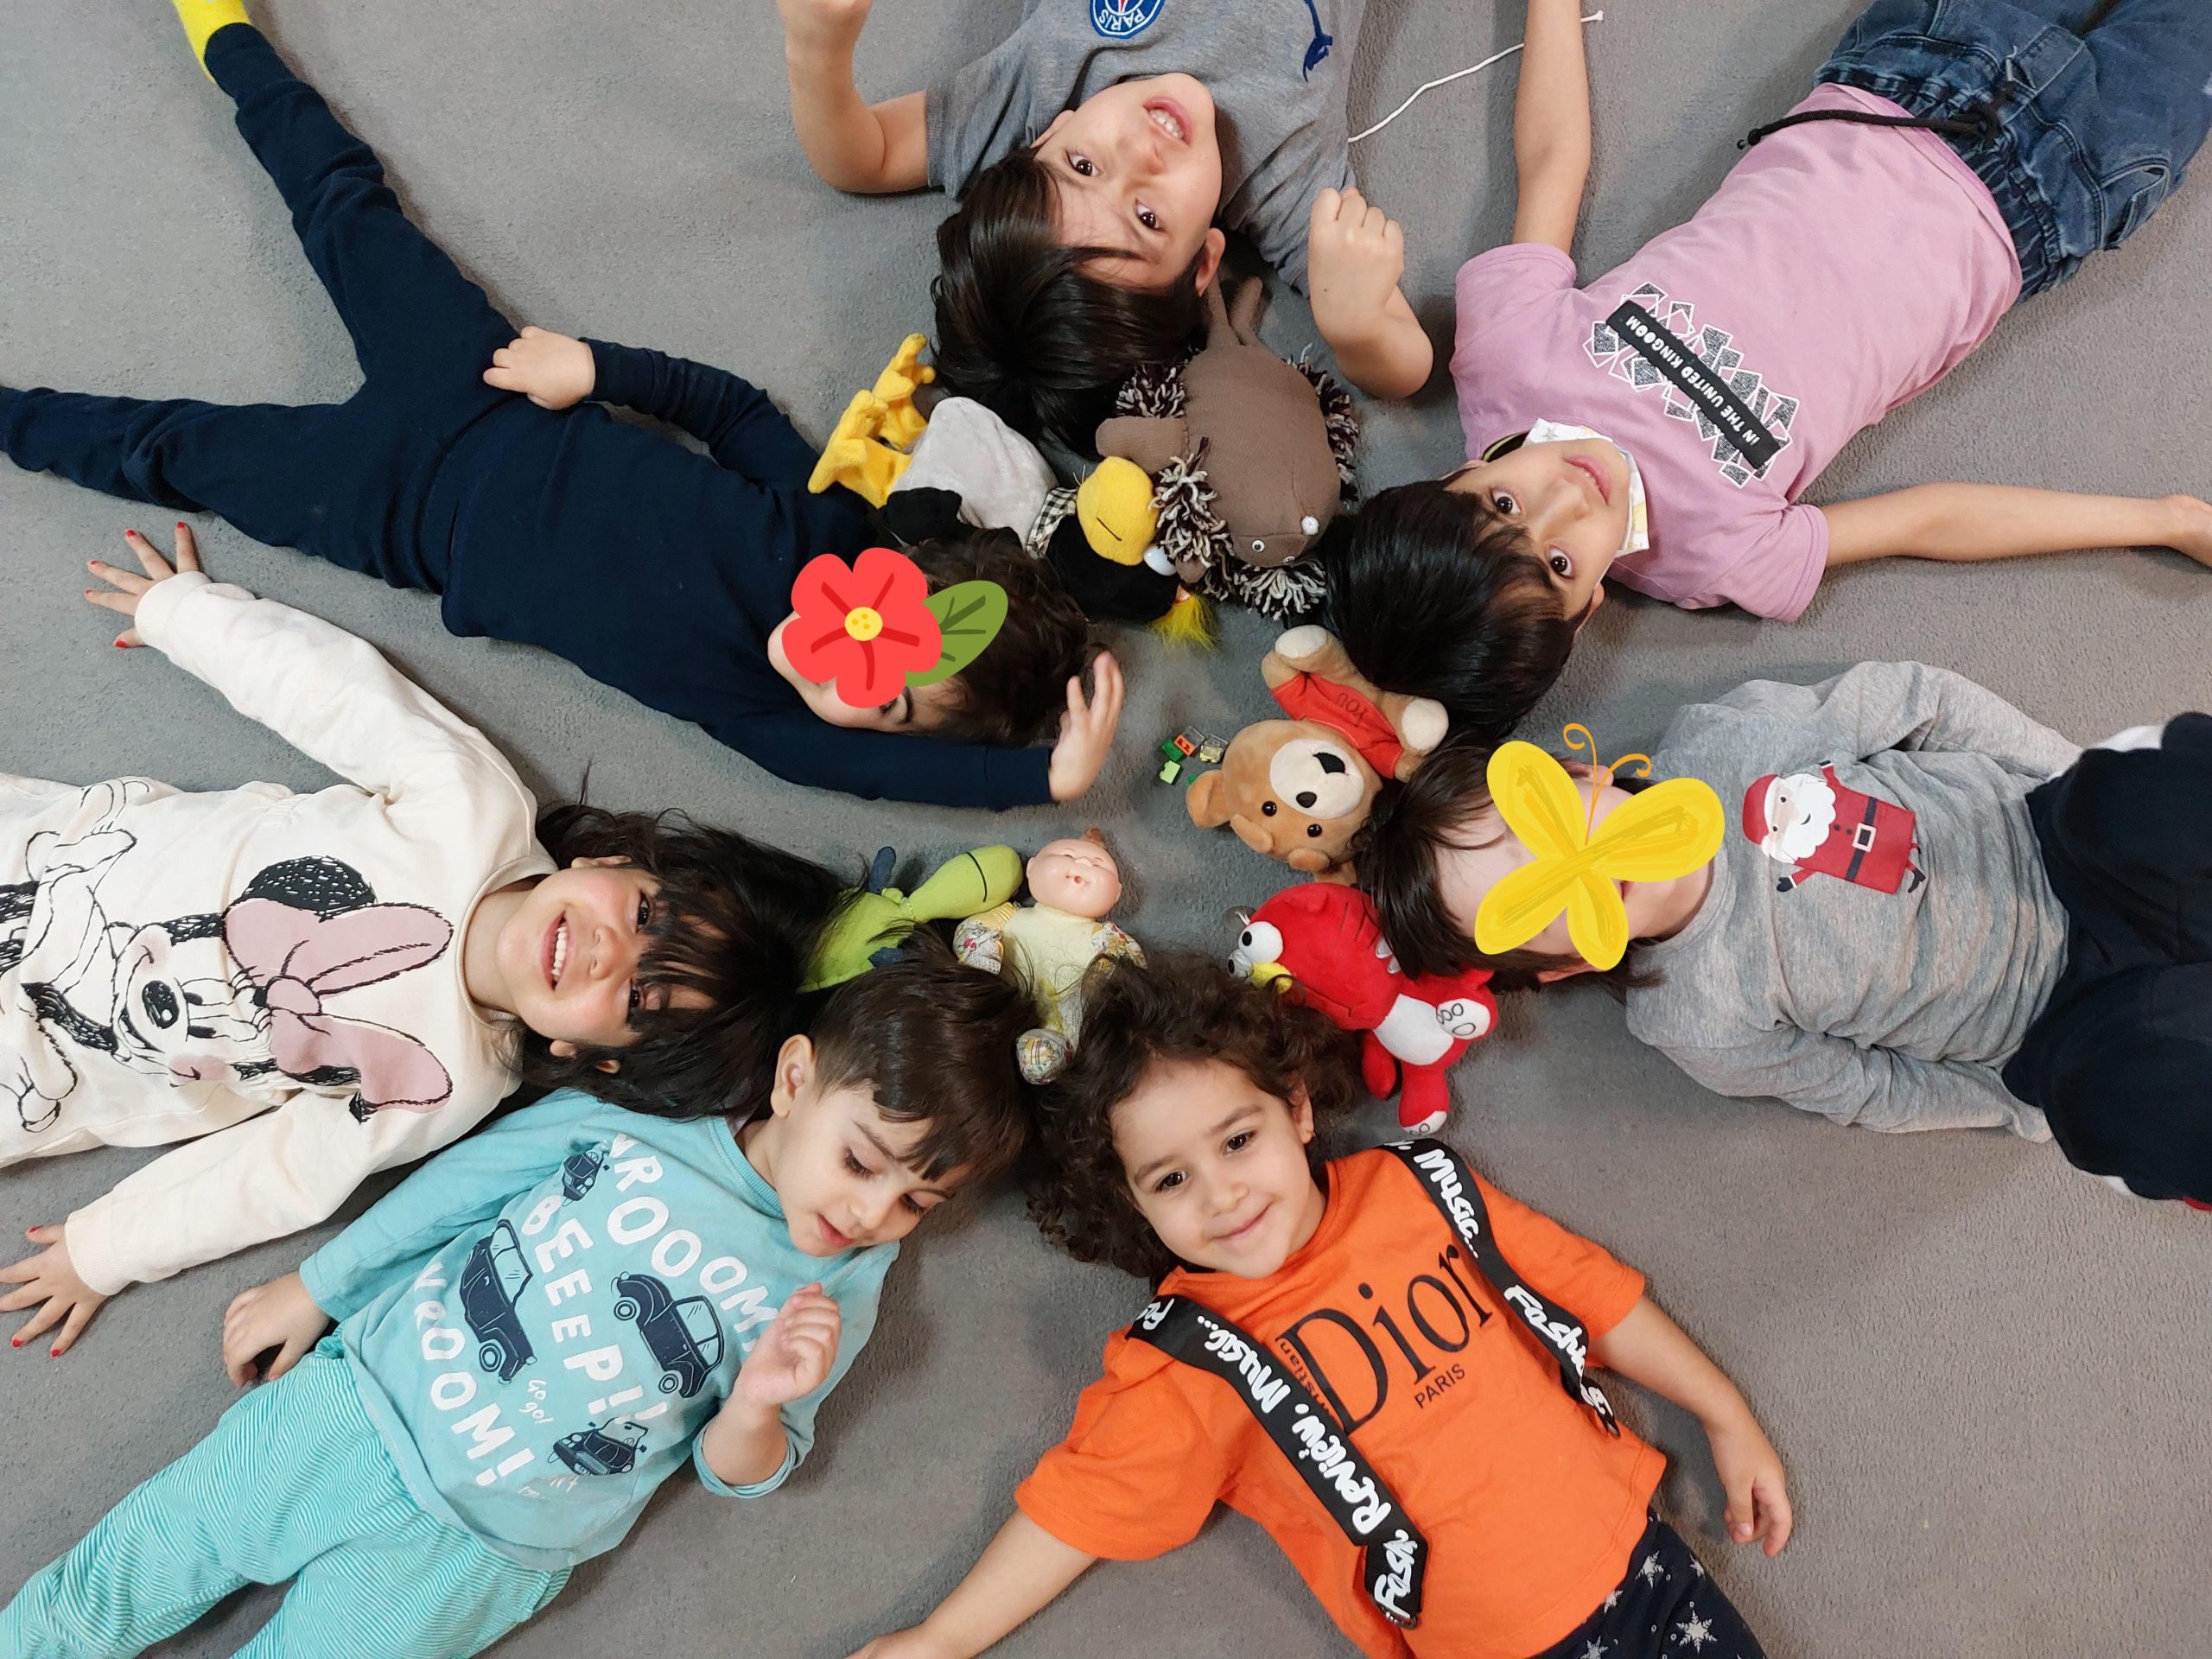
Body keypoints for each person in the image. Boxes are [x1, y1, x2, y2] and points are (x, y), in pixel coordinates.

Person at [0, 2, 1123, 810]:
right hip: (490, 388)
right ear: (890, 582)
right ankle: (226, 35)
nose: (860, 690)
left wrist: (1042, 781)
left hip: (396, 515)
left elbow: (873, 770)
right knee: (342, 202)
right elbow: (727, 409)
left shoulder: (758, 712)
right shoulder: (824, 526)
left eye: (894, 711)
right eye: (893, 667)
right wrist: (593, 369)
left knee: (175, 449)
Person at [0, 933, 1040, 1658]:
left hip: (486, 1549)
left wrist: (759, 1403)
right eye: (863, 1163)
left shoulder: (841, 1287)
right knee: (129, 1573)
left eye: (918, 1203)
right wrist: (316, 1287)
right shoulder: (652, 1121)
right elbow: (459, 1190)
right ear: (796, 1079)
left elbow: (743, 1475)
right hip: (360, 1405)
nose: (871, 1213)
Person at [0, 523, 847, 1360]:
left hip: (53, 1060)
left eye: (635, 996)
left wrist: (105, 1249)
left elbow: (277, 1171)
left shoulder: (447, 1082)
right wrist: (188, 616)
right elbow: (334, 696)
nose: (605, 952)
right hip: (51, 862)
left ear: (589, 1054)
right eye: (645, 917)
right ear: (613, 862)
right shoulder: (473, 811)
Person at [849, 952, 1792, 1659]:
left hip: (1650, 1568)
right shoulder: (1190, 1358)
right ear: (1130, 1201)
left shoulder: (1415, 1188)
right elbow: (1078, 1502)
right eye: (1170, 1178)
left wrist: (1723, 1411)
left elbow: (1585, 1290)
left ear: (1296, 1111)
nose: (1222, 1195)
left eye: (1238, 1140)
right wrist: (939, 1640)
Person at [1322, 0, 2212, 743]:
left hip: (1907, 71)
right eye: (1558, 563)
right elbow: (1929, 518)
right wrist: (2162, 521)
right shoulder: (1714, 556)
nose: (1567, 497)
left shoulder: (1506, 357)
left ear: (1457, 474)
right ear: (1586, 608)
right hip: (2052, 198)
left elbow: (1553, 160)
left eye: (1502, 504)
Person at [1360, 662, 2212, 1204]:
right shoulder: (1693, 1017)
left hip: (2050, 843)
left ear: (1581, 773)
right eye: (1530, 900)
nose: (1570, 863)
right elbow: (1866, 1088)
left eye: (1539, 824)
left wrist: (2060, 772)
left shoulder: (1724, 743)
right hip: (2058, 1026)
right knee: (2111, 1108)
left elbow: (1918, 700)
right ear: (1556, 968)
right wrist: (2012, 1103)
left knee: (2129, 802)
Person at [777, 0, 1433, 451]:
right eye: (1147, 218)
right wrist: (1357, 331)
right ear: (1204, 263)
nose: (1142, 153)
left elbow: (866, 158)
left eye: (1084, 165)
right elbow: (1407, 367)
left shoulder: (1040, 88)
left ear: (1047, 137)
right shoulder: (1281, 173)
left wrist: (816, 47)